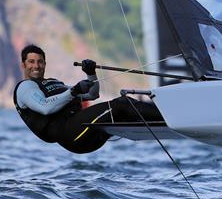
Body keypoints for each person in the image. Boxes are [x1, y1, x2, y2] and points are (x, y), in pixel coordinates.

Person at [12, 44, 162, 154]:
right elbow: (45, 108)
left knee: (124, 111)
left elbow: (92, 94)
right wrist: (74, 91)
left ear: (45, 64)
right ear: (23, 65)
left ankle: (163, 119)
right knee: (122, 104)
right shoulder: (25, 87)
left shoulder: (54, 82)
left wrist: (91, 74)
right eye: (31, 62)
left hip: (88, 133)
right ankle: (168, 115)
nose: (36, 66)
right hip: (71, 134)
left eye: (40, 61)